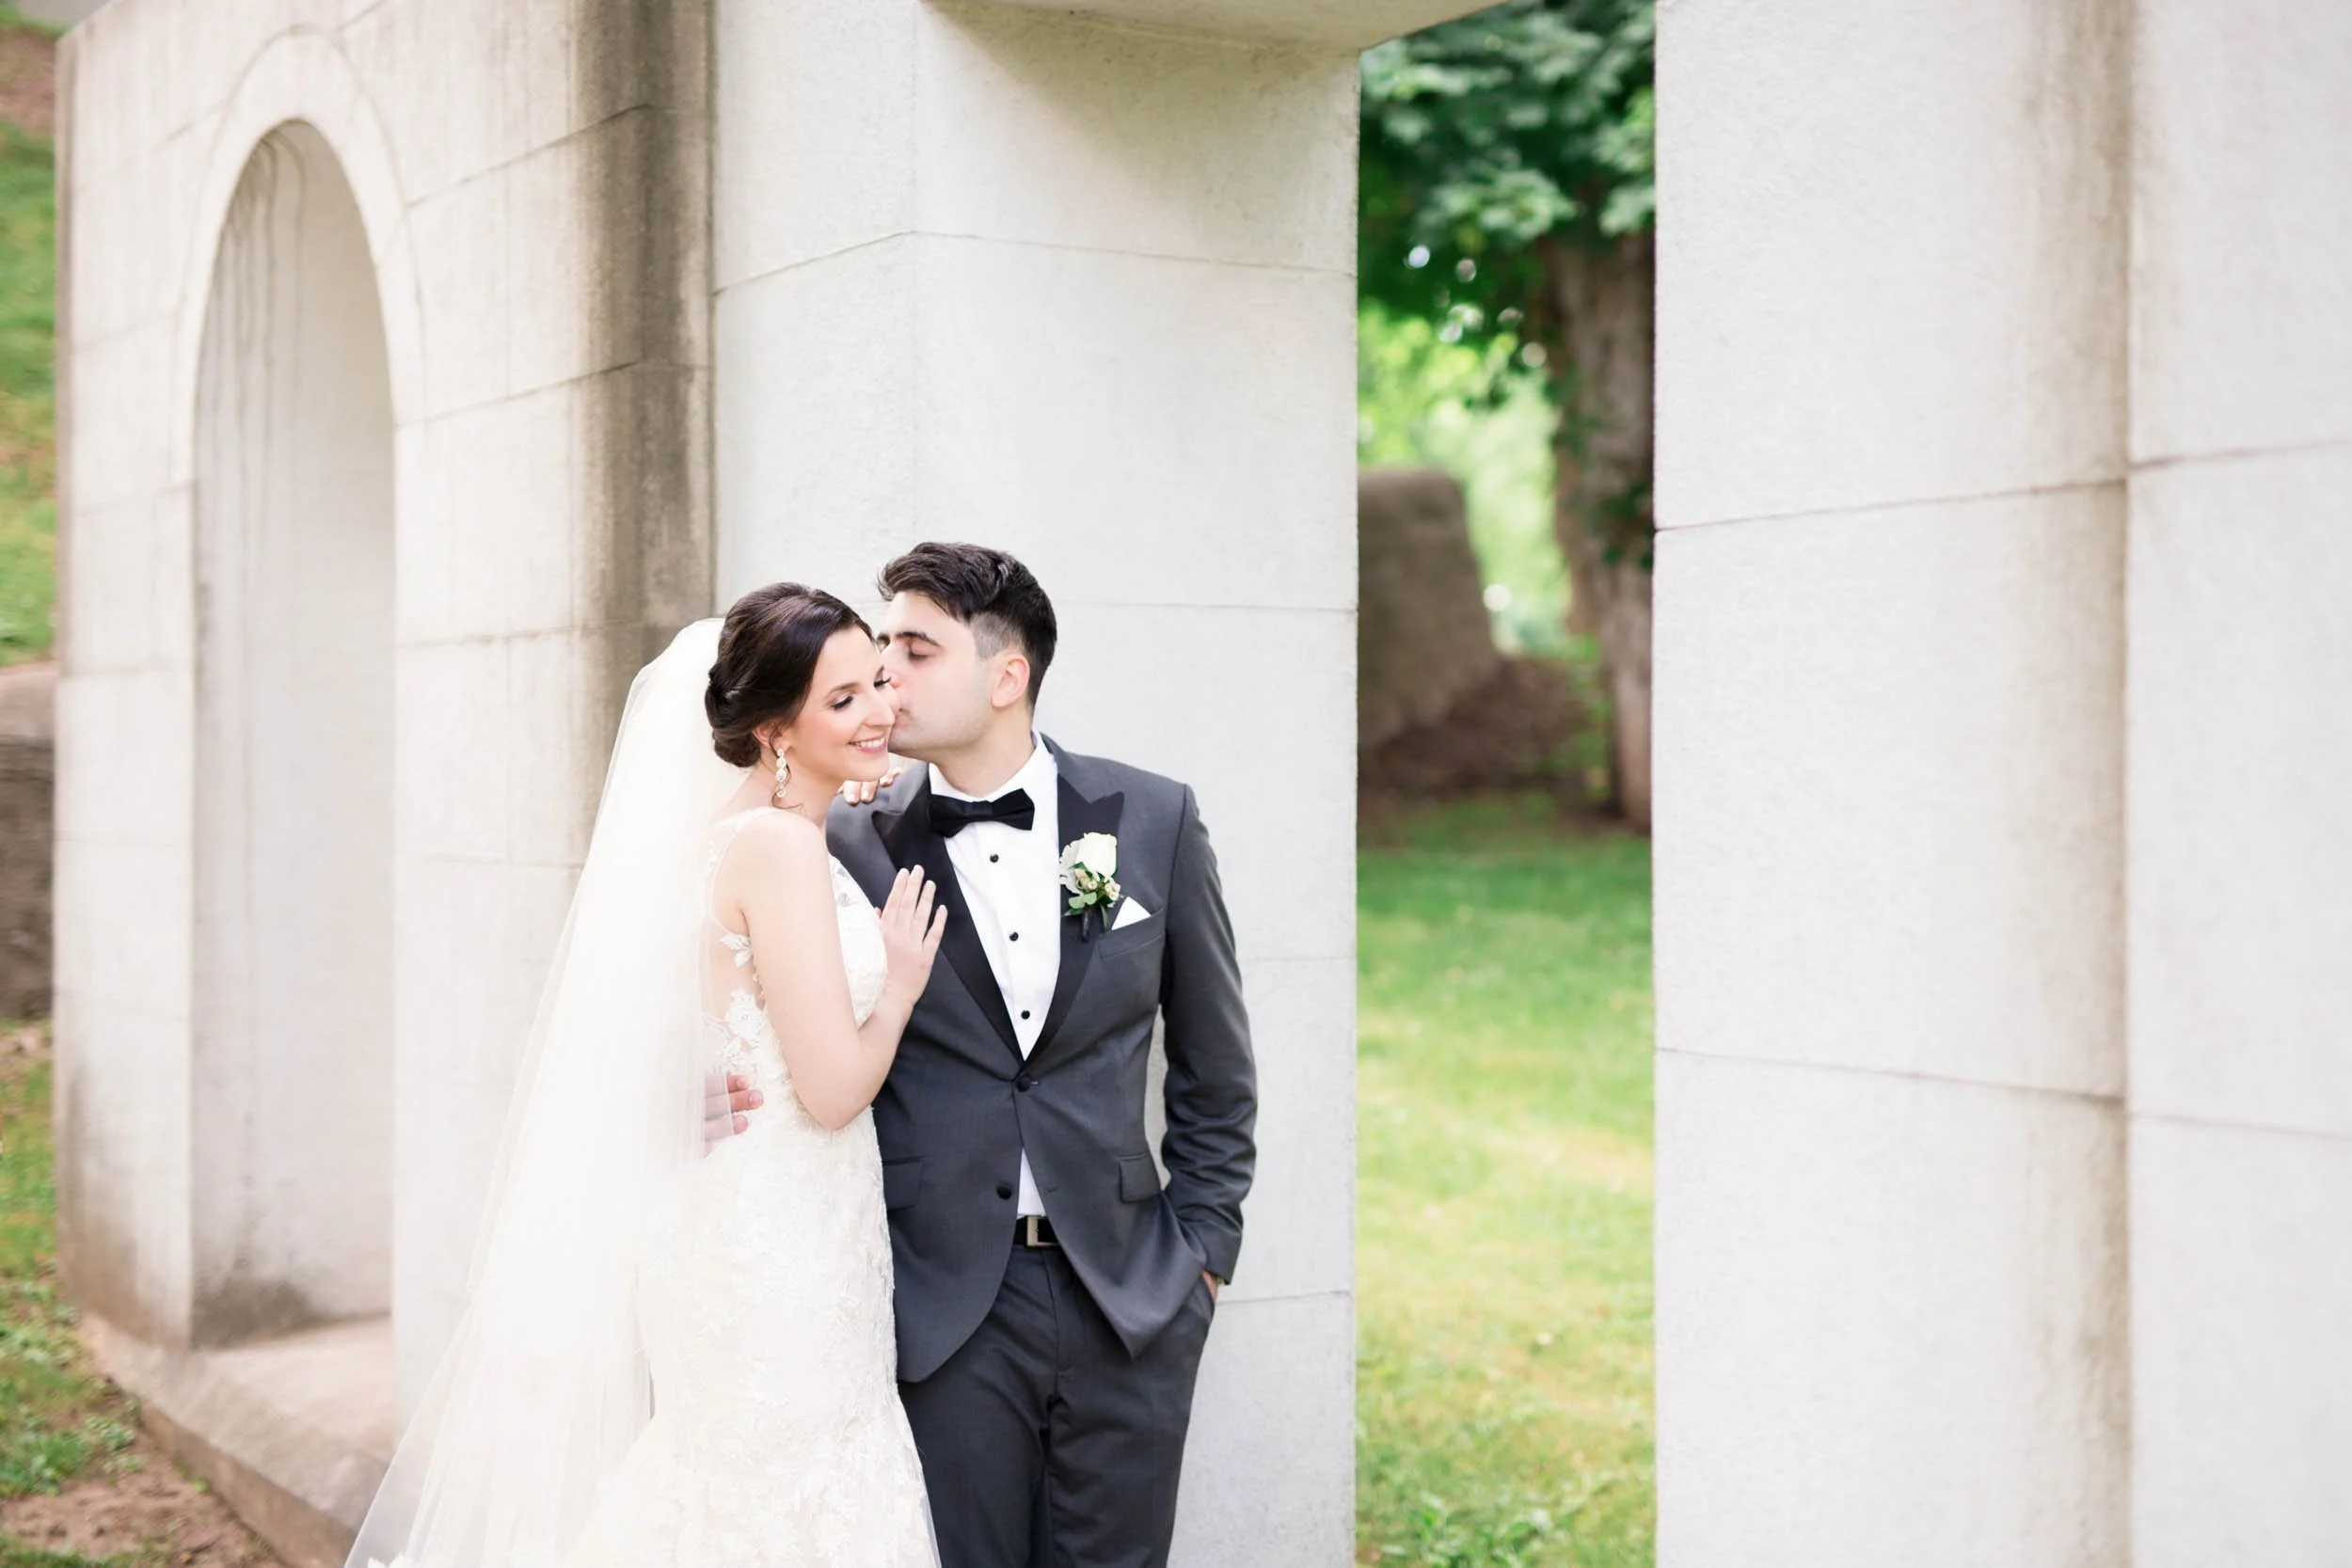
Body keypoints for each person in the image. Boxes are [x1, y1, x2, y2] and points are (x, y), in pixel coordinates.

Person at [346, 584, 950, 1568]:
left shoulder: (718, 835)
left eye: (877, 681)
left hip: (741, 1215)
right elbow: (834, 1087)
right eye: (842, 699)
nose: (881, 709)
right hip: (779, 1242)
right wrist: (899, 984)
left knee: (725, 1482)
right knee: (786, 1485)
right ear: (773, 729)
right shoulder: (778, 848)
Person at [818, 543, 1259, 1568]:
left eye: (915, 649)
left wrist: (1200, 1255)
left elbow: (1215, 1061)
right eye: (881, 647)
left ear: (1005, 674)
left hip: (1130, 1293)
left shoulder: (1152, 818)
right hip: (943, 1305)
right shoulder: (851, 844)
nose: (886, 672)